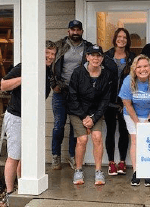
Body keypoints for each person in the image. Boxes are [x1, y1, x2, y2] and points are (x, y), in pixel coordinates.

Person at [0, 40, 57, 206]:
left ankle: (22, 186)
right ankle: (9, 192)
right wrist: (24, 78)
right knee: (14, 156)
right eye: (47, 52)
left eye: (53, 54)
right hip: (17, 117)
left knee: (26, 157)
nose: (50, 56)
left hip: (32, 118)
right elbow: (3, 85)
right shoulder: (25, 66)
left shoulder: (47, 71)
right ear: (40, 52)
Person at [50, 20, 94, 170]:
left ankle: (72, 156)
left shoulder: (88, 47)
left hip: (78, 93)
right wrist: (53, 84)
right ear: (68, 31)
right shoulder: (59, 45)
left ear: (81, 31)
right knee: (58, 125)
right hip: (60, 91)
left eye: (78, 30)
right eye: (72, 30)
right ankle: (56, 156)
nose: (75, 32)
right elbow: (49, 65)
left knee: (75, 127)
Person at [118, 54, 150, 187]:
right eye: (139, 67)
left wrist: (149, 121)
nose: (142, 69)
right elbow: (127, 103)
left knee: (149, 142)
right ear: (134, 69)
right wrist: (137, 123)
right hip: (132, 114)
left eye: (145, 66)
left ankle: (149, 171)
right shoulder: (128, 80)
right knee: (135, 140)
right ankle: (137, 171)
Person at [67, 45, 111, 185]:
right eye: (92, 55)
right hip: (78, 112)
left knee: (97, 137)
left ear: (102, 58)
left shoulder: (106, 74)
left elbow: (105, 100)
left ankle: (98, 172)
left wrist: (94, 118)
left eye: (98, 55)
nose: (95, 58)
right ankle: (78, 170)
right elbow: (72, 96)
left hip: (95, 113)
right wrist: (83, 116)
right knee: (82, 139)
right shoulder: (78, 72)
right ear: (87, 57)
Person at [103, 28, 136, 176]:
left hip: (126, 101)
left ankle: (122, 162)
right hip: (109, 101)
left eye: (124, 37)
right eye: (119, 36)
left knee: (124, 131)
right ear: (115, 38)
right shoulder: (106, 56)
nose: (121, 39)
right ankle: (111, 163)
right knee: (110, 131)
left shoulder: (132, 58)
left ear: (127, 40)